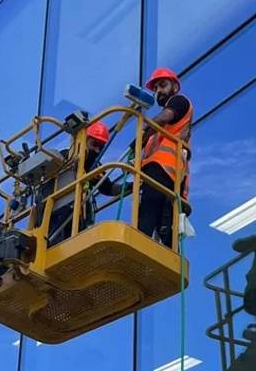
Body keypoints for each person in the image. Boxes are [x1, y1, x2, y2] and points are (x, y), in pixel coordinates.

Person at [47, 120, 130, 244]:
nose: (97, 150)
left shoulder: (95, 167)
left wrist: (129, 186)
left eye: (100, 147)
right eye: (94, 144)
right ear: (83, 139)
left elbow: (109, 188)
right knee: (55, 245)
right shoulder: (66, 157)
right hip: (57, 213)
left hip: (78, 217)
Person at [137, 67, 193, 246]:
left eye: (163, 85)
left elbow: (164, 117)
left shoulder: (179, 101)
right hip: (165, 176)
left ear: (174, 87)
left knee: (147, 218)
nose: (159, 91)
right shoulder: (160, 132)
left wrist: (144, 130)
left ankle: (140, 248)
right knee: (164, 226)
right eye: (156, 89)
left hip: (161, 171)